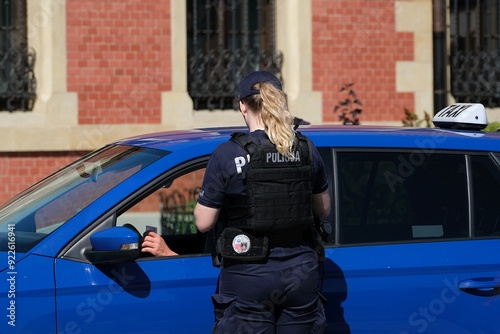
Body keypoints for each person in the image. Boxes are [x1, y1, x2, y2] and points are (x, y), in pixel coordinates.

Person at [194, 70, 331, 333]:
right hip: (300, 271)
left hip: (248, 274)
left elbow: (203, 223)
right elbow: (324, 210)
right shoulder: (305, 149)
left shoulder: (227, 153)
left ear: (242, 105)